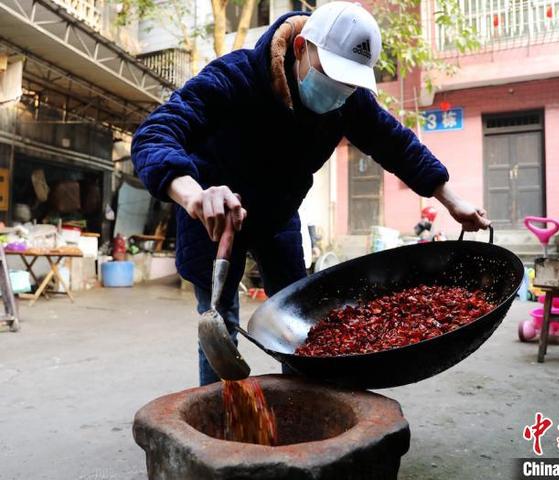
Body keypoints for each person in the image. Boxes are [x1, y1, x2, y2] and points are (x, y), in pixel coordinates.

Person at [131, 2, 490, 386]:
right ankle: (220, 411)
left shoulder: (348, 101)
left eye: (349, 84)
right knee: (219, 322)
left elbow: (397, 144)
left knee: (299, 321)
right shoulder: (234, 77)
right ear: (301, 47)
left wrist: (452, 200)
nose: (338, 92)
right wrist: (194, 195)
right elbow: (155, 135)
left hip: (277, 216)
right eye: (331, 76)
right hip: (214, 218)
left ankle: (302, 403)